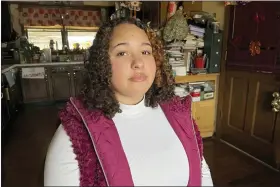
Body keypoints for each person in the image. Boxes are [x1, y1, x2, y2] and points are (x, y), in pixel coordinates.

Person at [44, 17, 213, 186]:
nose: (138, 62)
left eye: (146, 52)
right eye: (122, 53)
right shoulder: (76, 133)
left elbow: (201, 172)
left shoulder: (179, 113)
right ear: (102, 63)